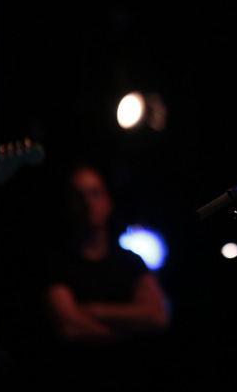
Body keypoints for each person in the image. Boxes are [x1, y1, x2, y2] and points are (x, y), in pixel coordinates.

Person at [29, 162, 170, 390]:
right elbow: (69, 327)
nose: (88, 202)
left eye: (95, 193)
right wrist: (129, 328)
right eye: (78, 196)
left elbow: (157, 316)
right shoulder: (54, 263)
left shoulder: (131, 261)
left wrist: (93, 310)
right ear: (66, 205)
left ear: (108, 201)